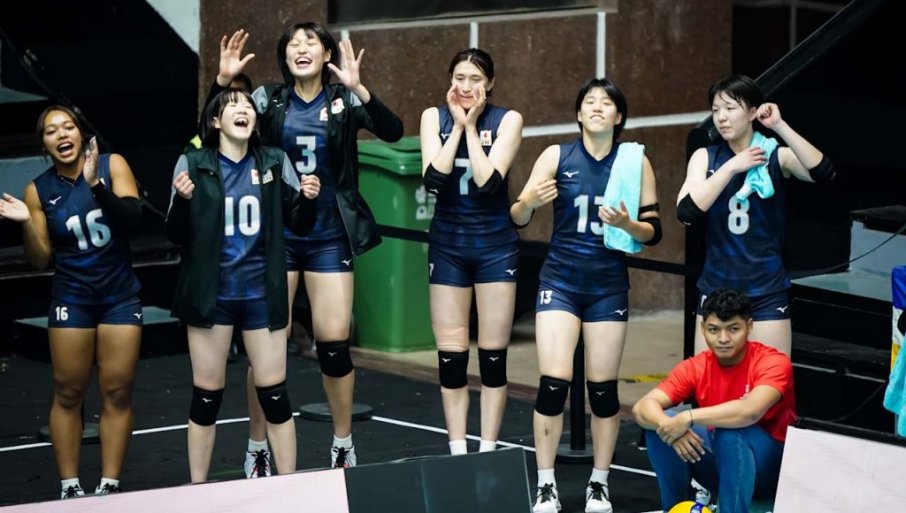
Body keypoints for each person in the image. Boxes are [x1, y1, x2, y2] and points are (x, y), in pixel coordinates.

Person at [206, 25, 403, 470]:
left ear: (328, 54)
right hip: (278, 238)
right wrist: (222, 83)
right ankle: (257, 446)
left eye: (310, 42)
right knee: (267, 350)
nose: (301, 49)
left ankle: (342, 442)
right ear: (284, 57)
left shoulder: (344, 100)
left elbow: (393, 131)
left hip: (330, 237)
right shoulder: (267, 99)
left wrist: (360, 88)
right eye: (293, 44)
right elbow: (211, 129)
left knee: (333, 345)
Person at [511, 78, 662, 513]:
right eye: (589, 102)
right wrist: (530, 201)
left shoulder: (634, 162)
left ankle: (599, 483)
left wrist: (628, 225)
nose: (597, 107)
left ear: (618, 116)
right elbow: (517, 216)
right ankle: (546, 485)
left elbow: (654, 231)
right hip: (560, 282)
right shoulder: (556, 156)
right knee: (553, 384)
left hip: (607, 286)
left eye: (606, 102)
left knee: (602, 391)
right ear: (578, 114)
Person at [165, 87, 320, 483]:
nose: (244, 110)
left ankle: (289, 486)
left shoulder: (274, 161)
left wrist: (308, 199)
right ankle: (197, 489)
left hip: (260, 294)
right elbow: (175, 234)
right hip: (211, 296)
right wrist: (182, 201)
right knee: (206, 397)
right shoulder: (193, 162)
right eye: (232, 105)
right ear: (216, 121)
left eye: (249, 106)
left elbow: (299, 224)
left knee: (275, 394)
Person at [0, 106, 144, 498]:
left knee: (117, 391)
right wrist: (26, 223)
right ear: (44, 145)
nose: (62, 134)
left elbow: (133, 219)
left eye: (68, 127)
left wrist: (96, 185)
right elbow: (39, 259)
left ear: (81, 134)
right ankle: (69, 487)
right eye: (51, 131)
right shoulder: (38, 190)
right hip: (73, 298)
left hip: (118, 296)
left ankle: (110, 485)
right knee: (68, 392)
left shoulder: (113, 165)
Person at [676, 74, 835, 356]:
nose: (721, 117)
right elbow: (686, 211)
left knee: (771, 378)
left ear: (752, 113)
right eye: (716, 110)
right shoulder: (705, 157)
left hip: (766, 288)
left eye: (730, 108)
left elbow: (824, 172)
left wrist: (779, 126)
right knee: (710, 379)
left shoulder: (774, 155)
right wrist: (731, 168)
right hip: (716, 286)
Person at [419, 48, 523, 455]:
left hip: (495, 248)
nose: (466, 87)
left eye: (476, 79)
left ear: (490, 84)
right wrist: (459, 126)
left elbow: (487, 182)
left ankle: (488, 448)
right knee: (451, 359)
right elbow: (433, 180)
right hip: (448, 248)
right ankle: (458, 448)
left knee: (492, 360)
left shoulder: (508, 120)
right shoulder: (433, 117)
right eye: (459, 78)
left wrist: (472, 125)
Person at [632, 288, 797, 513]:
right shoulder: (696, 366)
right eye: (714, 330)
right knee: (661, 425)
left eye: (733, 329)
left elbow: (749, 412)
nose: (723, 339)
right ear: (703, 328)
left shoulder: (773, 362)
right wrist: (669, 426)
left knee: (731, 432)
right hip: (724, 463)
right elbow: (642, 408)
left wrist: (688, 417)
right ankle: (676, 508)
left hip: (772, 472)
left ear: (749, 326)